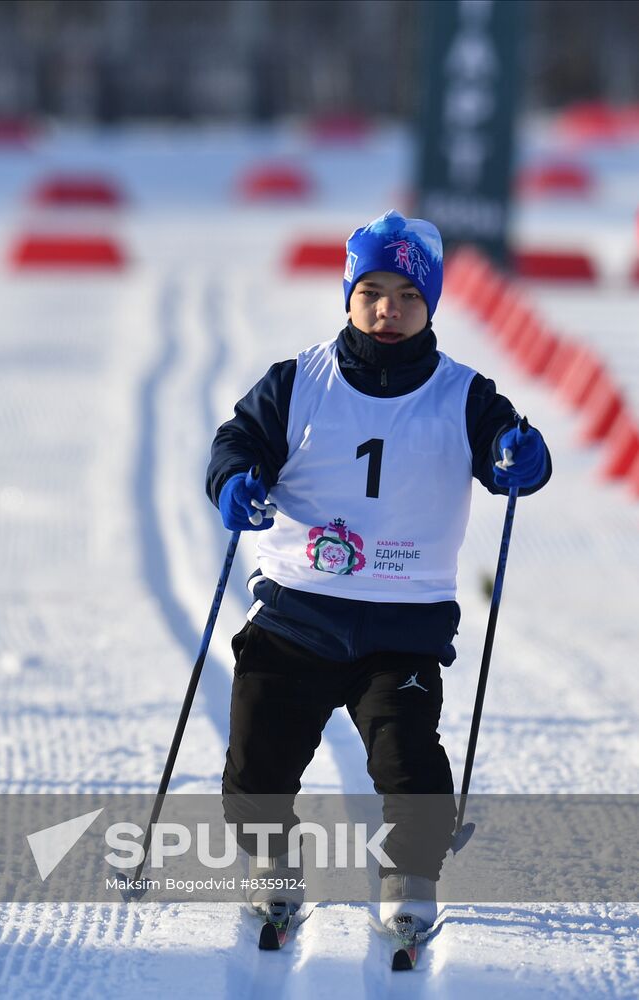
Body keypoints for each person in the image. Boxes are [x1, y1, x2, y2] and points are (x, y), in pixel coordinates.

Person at [207, 210, 551, 931]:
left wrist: (522, 457)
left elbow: (508, 455)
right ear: (348, 295)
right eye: (371, 292)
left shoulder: (463, 395)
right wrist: (236, 477)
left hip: (402, 624)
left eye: (407, 295)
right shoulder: (299, 382)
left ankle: (411, 872)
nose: (388, 309)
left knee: (409, 764)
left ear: (431, 304)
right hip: (298, 611)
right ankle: (273, 861)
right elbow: (240, 439)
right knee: (256, 763)